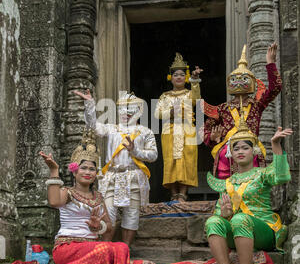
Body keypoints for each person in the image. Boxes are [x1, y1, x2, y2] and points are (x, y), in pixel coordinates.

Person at [205, 107, 292, 264]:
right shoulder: (227, 182)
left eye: (245, 147)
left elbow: (282, 176)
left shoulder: (262, 174)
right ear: (230, 154)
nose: (240, 151)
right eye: (236, 148)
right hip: (238, 232)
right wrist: (225, 214)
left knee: (240, 219)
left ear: (254, 152)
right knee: (213, 221)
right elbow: (221, 215)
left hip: (264, 230)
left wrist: (275, 145)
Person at [39, 129, 130, 264]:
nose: (88, 172)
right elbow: (54, 202)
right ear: (75, 171)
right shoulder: (67, 192)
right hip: (68, 246)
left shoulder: (99, 197)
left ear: (96, 174)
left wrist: (98, 227)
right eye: (84, 168)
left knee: (121, 249)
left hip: (91, 247)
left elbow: (109, 227)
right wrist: (54, 171)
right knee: (104, 250)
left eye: (92, 169)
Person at [74, 89, 158, 247]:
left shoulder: (145, 132)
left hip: (134, 175)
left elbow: (153, 155)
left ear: (139, 111)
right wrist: (90, 103)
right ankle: (105, 248)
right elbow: (92, 125)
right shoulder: (111, 128)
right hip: (112, 176)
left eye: (130, 110)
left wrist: (135, 151)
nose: (125, 113)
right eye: (122, 109)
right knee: (108, 214)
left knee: (132, 215)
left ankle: (125, 250)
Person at [204, 43, 282, 179]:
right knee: (228, 185)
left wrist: (271, 63)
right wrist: (211, 137)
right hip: (229, 153)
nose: (238, 82)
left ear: (252, 82)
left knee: (253, 183)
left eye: (243, 79)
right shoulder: (222, 109)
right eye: (234, 79)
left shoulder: (257, 105)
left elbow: (275, 88)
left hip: (250, 149)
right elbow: (206, 129)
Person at [154, 53, 203, 202]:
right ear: (171, 78)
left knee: (186, 160)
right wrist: (170, 112)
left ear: (186, 77)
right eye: (176, 75)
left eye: (182, 74)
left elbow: (196, 99)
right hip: (169, 132)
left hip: (187, 131)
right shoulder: (165, 96)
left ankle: (183, 193)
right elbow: (156, 114)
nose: (179, 77)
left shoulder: (189, 94)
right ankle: (173, 193)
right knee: (171, 161)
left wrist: (195, 80)